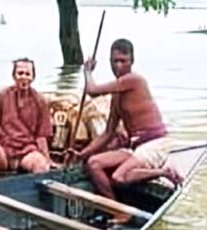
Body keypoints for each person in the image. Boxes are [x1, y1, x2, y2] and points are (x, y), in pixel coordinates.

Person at [69, 39, 182, 200]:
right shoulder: (117, 94)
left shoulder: (134, 80)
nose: (118, 66)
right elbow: (108, 133)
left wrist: (87, 71)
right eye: (115, 61)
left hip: (155, 144)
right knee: (93, 163)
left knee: (118, 177)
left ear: (132, 61)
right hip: (136, 147)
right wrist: (81, 154)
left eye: (123, 61)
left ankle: (165, 172)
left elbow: (92, 90)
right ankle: (116, 209)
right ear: (109, 62)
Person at [0, 58, 54, 180]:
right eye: (20, 73)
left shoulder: (40, 100)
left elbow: (41, 135)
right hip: (4, 148)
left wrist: (47, 159)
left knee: (41, 166)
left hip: (27, 150)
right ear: (14, 76)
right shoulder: (0, 96)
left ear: (33, 77)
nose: (23, 77)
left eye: (27, 74)